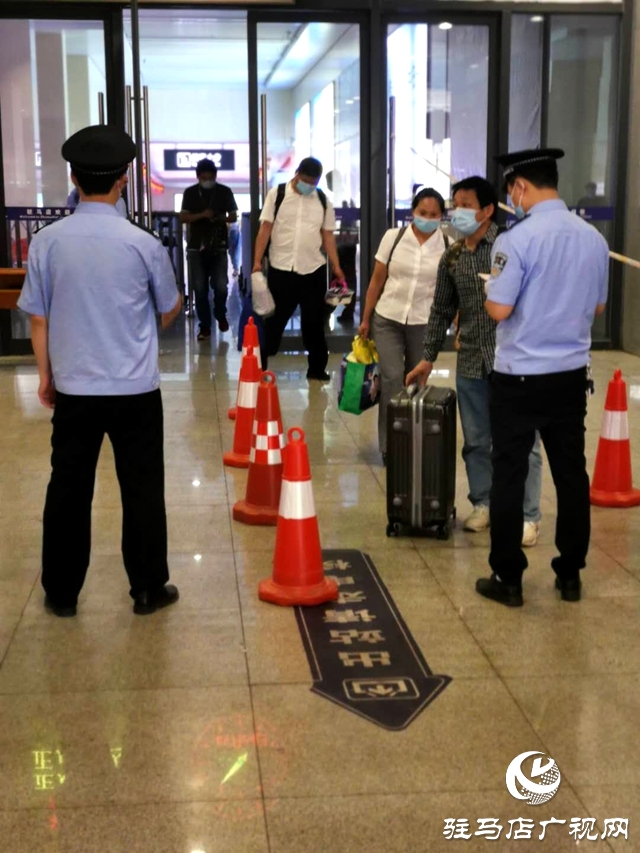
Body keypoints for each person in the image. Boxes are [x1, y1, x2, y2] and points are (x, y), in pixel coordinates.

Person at [17, 125, 182, 618]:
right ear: (123, 180)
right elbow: (170, 307)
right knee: (142, 489)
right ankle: (149, 588)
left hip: (75, 389)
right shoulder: (142, 243)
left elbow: (39, 319)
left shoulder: (47, 243)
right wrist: (139, 323)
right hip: (134, 389)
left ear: (73, 176)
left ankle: (62, 592)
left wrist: (46, 378)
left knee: (67, 488)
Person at [475, 148, 609, 607]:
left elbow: (499, 310)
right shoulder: (593, 238)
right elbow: (597, 308)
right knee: (571, 474)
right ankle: (570, 573)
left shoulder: (516, 240)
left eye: (513, 189)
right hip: (570, 376)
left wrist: (491, 288)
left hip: (520, 378)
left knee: (509, 474)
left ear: (519, 188)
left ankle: (507, 578)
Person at [406, 176, 543, 547]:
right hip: (470, 364)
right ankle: (483, 502)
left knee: (522, 442)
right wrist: (427, 358)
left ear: (486, 209)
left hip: (513, 363)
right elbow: (440, 311)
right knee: (477, 441)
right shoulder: (452, 256)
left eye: (465, 205)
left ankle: (528, 515)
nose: (457, 212)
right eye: (456, 204)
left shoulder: (510, 247)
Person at [358, 187, 449, 463]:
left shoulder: (448, 245)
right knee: (392, 379)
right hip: (388, 318)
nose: (427, 218)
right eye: (422, 213)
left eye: (434, 214)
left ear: (442, 216)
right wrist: (365, 317)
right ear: (413, 211)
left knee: (416, 383)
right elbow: (376, 279)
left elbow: (450, 291)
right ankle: (390, 446)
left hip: (424, 322)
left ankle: (413, 441)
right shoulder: (393, 238)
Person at [252, 157, 344, 381]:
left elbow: (328, 235)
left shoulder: (322, 200)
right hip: (281, 269)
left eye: (313, 183)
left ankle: (316, 369)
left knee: (314, 323)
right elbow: (265, 228)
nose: (308, 186)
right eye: (305, 181)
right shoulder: (277, 194)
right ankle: (259, 366)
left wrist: (337, 266)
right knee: (273, 322)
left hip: (313, 270)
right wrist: (256, 262)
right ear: (296, 174)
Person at [180, 158, 237, 340]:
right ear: (198, 176)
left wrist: (221, 219)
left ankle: (220, 314)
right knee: (200, 289)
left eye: (210, 177)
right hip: (196, 247)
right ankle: (204, 326)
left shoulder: (224, 192)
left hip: (218, 246)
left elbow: (233, 216)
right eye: (204, 177)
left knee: (221, 286)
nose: (207, 180)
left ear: (215, 176)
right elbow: (183, 217)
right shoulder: (190, 193)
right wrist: (202, 215)